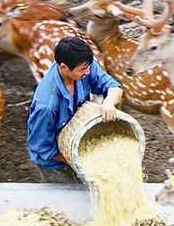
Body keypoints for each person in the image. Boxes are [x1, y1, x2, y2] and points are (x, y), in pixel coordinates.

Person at [27, 36, 123, 183]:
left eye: (88, 67)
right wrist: (80, 159)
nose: (88, 71)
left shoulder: (84, 66)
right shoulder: (46, 105)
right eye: (83, 69)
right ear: (64, 67)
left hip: (74, 134)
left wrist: (109, 103)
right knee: (68, 196)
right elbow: (42, 148)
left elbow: (113, 86)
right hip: (53, 161)